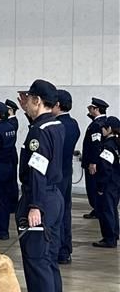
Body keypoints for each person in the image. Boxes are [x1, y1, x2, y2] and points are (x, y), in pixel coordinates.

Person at [16, 79, 65, 292]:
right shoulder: (56, 126)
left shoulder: (38, 132)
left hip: (39, 198)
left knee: (36, 260)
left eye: (30, 100)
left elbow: (36, 169)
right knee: (48, 259)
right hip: (54, 198)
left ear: (37, 100)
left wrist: (34, 205)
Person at [53, 90, 81, 263]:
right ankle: (65, 249)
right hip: (67, 173)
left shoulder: (56, 125)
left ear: (57, 105)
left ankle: (58, 250)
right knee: (65, 212)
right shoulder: (74, 124)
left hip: (56, 175)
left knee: (56, 214)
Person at [0, 102, 18, 241]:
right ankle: (2, 227)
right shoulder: (10, 127)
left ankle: (1, 230)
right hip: (8, 165)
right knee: (4, 199)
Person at [93, 116, 120, 249]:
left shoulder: (108, 146)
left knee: (106, 210)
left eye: (104, 128)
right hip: (116, 183)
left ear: (109, 129)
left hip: (108, 184)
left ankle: (109, 238)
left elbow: (105, 168)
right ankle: (114, 234)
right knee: (113, 209)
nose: (102, 130)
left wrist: (100, 186)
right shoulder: (117, 144)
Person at [82, 97, 109, 219]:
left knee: (93, 187)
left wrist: (93, 162)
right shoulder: (103, 122)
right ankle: (97, 208)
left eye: (91, 108)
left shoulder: (96, 125)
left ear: (96, 109)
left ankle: (98, 209)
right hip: (99, 162)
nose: (89, 110)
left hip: (94, 164)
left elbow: (96, 145)